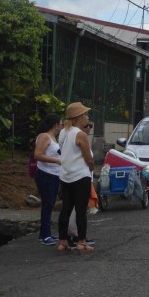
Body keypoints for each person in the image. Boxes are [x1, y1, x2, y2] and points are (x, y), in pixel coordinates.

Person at [57, 102, 95, 254]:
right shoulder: (80, 134)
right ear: (78, 117)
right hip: (80, 176)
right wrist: (91, 168)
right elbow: (88, 158)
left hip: (65, 175)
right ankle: (82, 242)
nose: (87, 118)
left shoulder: (63, 132)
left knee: (65, 209)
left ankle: (62, 241)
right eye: (85, 115)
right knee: (80, 211)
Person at [32, 113, 62, 245]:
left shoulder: (54, 138)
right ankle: (45, 235)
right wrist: (56, 161)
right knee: (47, 204)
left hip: (54, 174)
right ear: (56, 125)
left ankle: (45, 232)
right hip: (46, 174)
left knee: (50, 204)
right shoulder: (45, 136)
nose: (61, 126)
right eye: (60, 123)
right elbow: (37, 155)